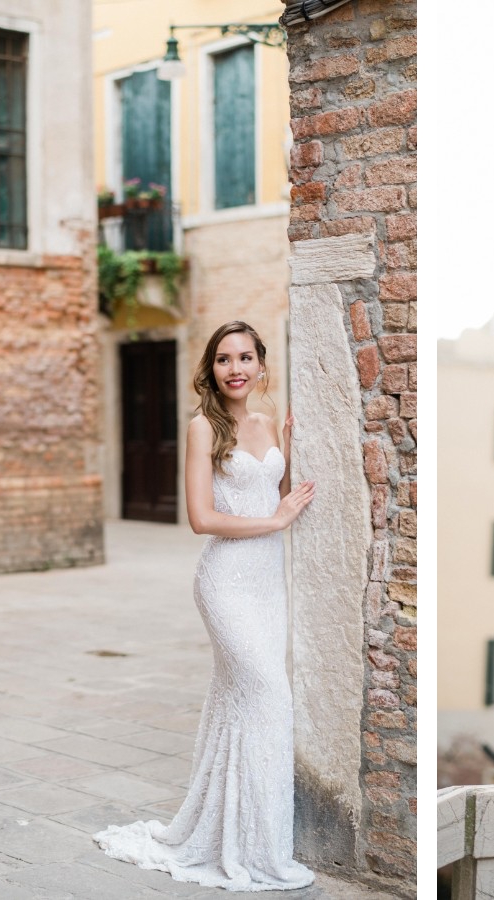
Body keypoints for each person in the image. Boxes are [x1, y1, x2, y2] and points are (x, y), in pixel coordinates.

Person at [95, 321, 316, 891]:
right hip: (225, 581)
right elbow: (202, 518)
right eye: (224, 359)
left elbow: (277, 487)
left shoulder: (269, 423)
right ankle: (253, 846)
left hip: (269, 584)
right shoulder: (201, 428)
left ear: (262, 365)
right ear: (211, 370)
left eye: (245, 357)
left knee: (245, 704)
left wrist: (289, 451)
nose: (235, 368)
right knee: (270, 694)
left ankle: (241, 835)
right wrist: (274, 522)